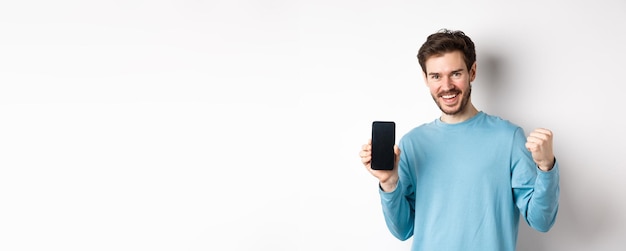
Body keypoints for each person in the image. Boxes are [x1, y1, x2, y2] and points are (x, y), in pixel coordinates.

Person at [358, 29, 560, 251]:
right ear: (425, 78)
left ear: (472, 72)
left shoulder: (508, 138)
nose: (446, 86)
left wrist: (546, 167)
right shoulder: (412, 143)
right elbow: (402, 229)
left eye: (455, 73)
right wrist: (388, 182)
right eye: (436, 76)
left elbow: (541, 221)